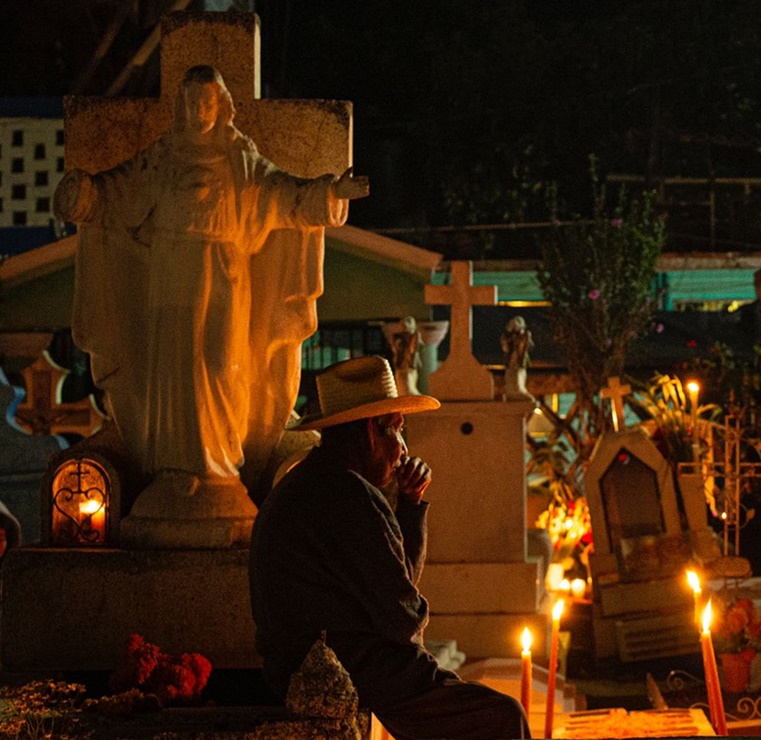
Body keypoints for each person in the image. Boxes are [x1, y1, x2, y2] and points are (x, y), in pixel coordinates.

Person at [53, 64, 369, 505]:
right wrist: (86, 196)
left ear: (220, 106)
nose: (200, 110)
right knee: (175, 370)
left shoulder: (240, 158)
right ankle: (176, 470)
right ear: (183, 107)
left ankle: (220, 468)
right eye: (193, 103)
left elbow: (285, 196)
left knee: (223, 366)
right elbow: (118, 193)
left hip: (225, 276)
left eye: (207, 102)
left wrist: (330, 195)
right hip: (171, 275)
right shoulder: (162, 157)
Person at [249, 356, 529, 740]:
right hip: (338, 668)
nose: (402, 450)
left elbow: (396, 587)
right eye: (397, 430)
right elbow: (402, 617)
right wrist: (416, 612)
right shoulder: (348, 495)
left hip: (307, 663)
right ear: (371, 432)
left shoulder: (313, 482)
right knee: (503, 715)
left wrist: (410, 505)